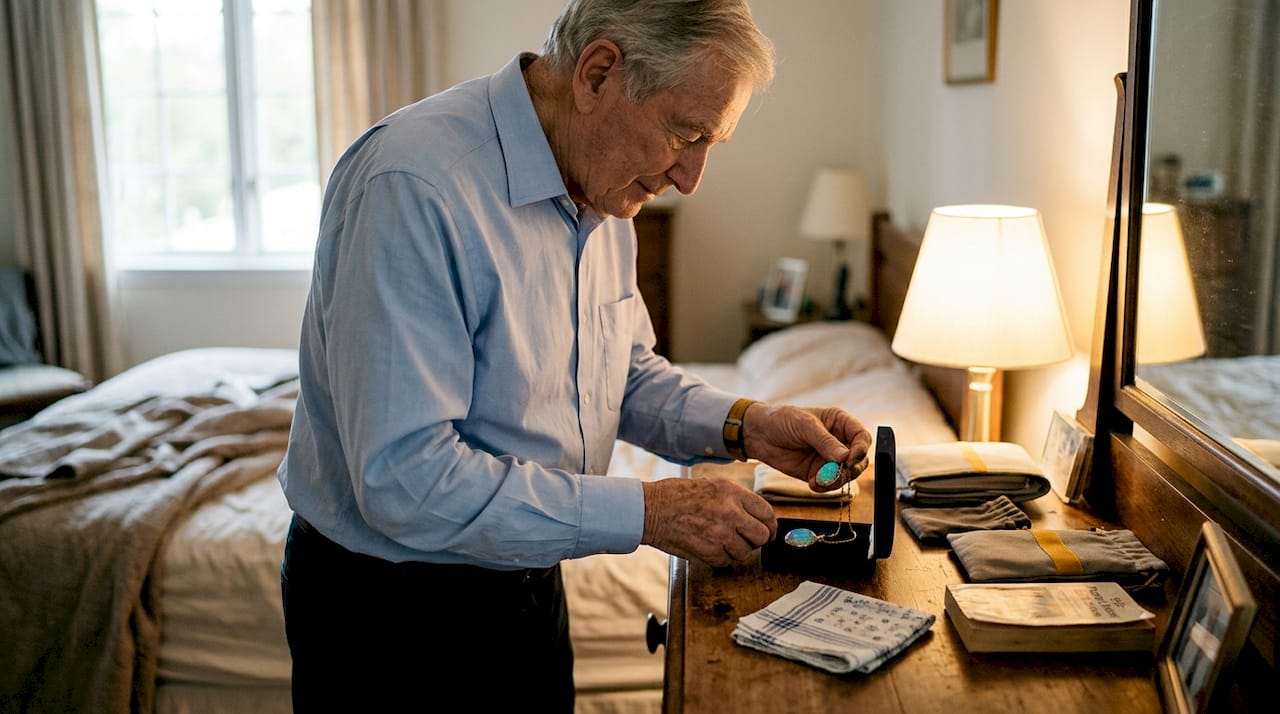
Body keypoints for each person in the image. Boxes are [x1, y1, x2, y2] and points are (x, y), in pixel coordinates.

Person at [277, 0, 873, 710]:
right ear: (598, 73)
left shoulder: (602, 187)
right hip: (394, 616)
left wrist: (746, 422)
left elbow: (619, 373)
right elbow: (407, 481)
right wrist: (649, 512)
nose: (691, 178)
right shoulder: (416, 185)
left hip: (526, 575)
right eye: (685, 134)